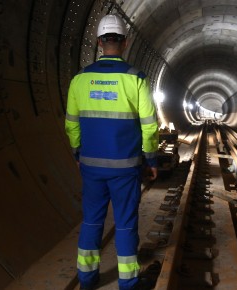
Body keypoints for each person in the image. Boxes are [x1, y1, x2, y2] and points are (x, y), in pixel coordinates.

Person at [65, 14, 159, 290]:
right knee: (126, 224)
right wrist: (151, 159)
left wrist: (77, 155)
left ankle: (86, 279)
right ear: (125, 43)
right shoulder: (136, 80)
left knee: (92, 222)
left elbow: (71, 125)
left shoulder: (79, 80)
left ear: (98, 42)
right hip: (125, 169)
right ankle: (128, 283)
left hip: (91, 167)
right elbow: (150, 128)